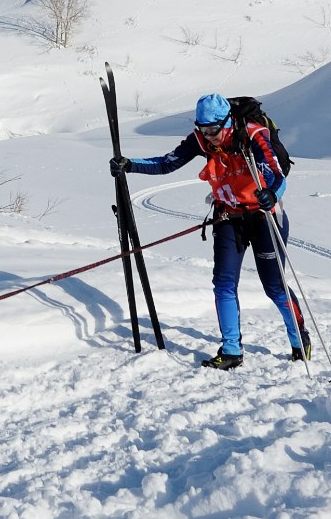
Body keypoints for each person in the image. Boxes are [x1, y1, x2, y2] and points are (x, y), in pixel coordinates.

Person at [116, 93, 306, 369]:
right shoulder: (201, 139)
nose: (209, 136)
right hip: (228, 216)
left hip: (264, 216)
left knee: (274, 286)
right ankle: (231, 350)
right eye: (203, 130)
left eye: (213, 130)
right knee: (224, 283)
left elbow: (278, 175)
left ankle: (299, 339)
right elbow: (168, 162)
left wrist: (272, 195)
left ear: (227, 121)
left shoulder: (254, 136)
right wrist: (129, 165)